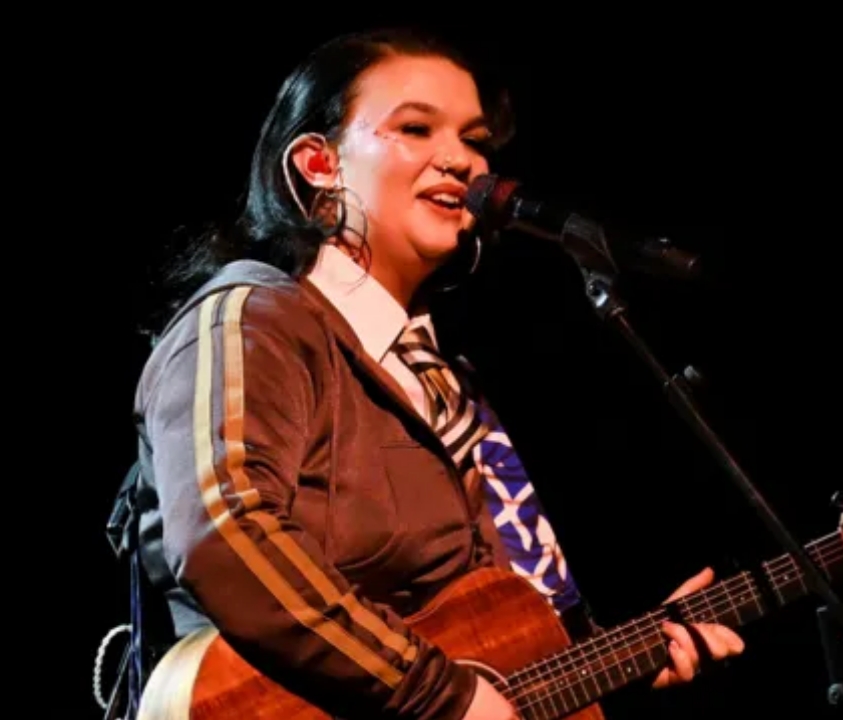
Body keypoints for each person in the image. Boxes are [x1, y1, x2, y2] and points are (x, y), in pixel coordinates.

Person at [130, 26, 745, 720]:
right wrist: (437, 695)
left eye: (475, 140)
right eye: (416, 128)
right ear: (316, 162)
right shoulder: (253, 318)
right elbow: (226, 534)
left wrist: (612, 659)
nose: (460, 160)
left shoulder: (444, 382)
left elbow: (479, 632)